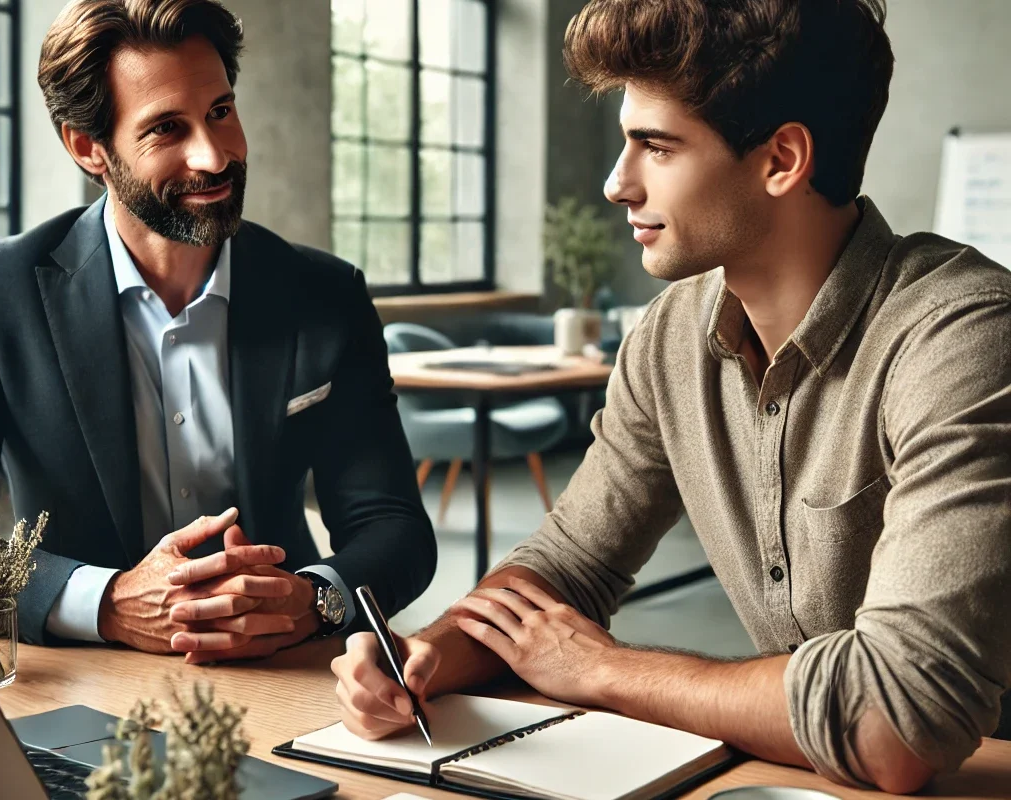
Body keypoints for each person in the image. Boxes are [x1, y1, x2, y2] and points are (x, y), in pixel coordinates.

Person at [330, 0, 1011, 793]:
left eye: (655, 146)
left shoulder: (964, 338)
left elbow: (898, 723)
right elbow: (567, 565)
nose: (617, 184)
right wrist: (432, 655)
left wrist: (604, 670)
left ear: (782, 159)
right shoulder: (670, 337)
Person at [0, 0, 435, 662]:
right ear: (89, 148)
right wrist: (106, 603)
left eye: (220, 111)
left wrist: (312, 600)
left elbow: (393, 526)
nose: (215, 155)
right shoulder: (1, 293)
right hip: (79, 675)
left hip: (283, 664)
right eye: (167, 129)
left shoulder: (325, 294)